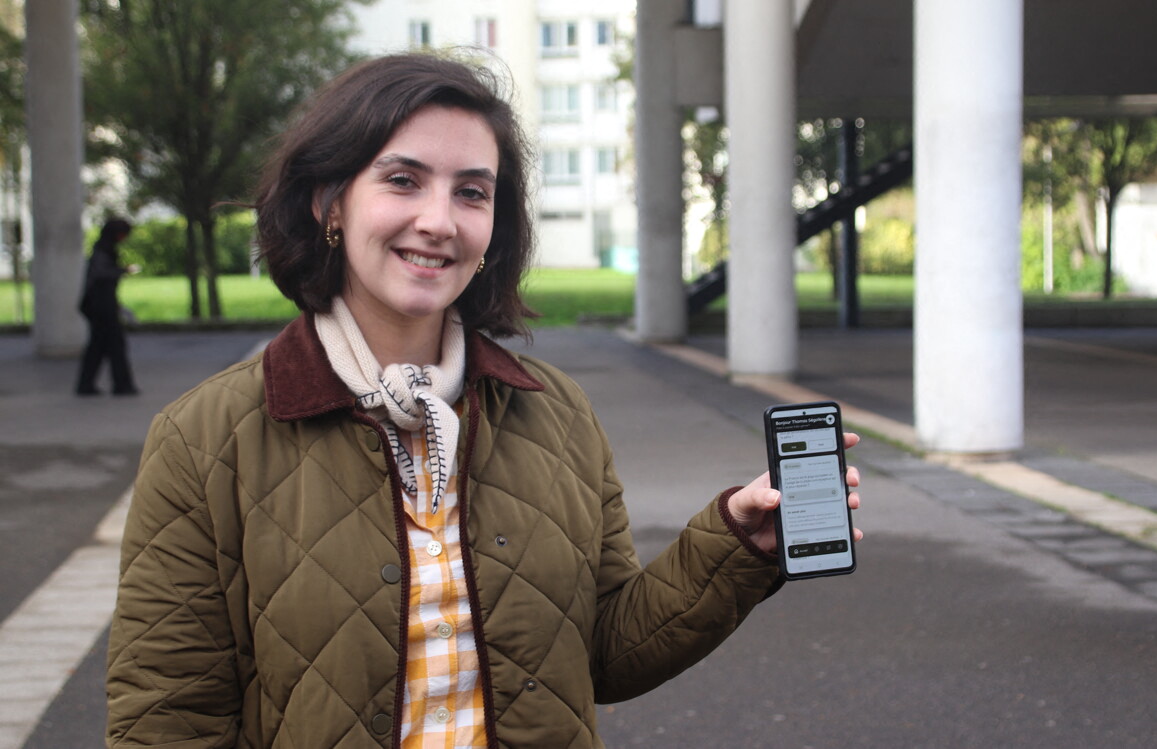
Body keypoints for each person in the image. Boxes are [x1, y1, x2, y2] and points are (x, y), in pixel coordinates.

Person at [105, 53, 862, 748]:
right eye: (403, 180)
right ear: (329, 203)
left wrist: (733, 546)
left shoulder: (555, 413)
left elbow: (602, 652)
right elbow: (167, 720)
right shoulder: (206, 439)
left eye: (471, 192)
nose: (439, 221)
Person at [75, 217, 139, 396]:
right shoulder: (103, 250)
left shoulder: (104, 249)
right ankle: (121, 385)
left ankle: (86, 384)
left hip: (100, 305)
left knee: (98, 347)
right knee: (114, 345)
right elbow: (101, 274)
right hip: (101, 307)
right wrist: (123, 271)